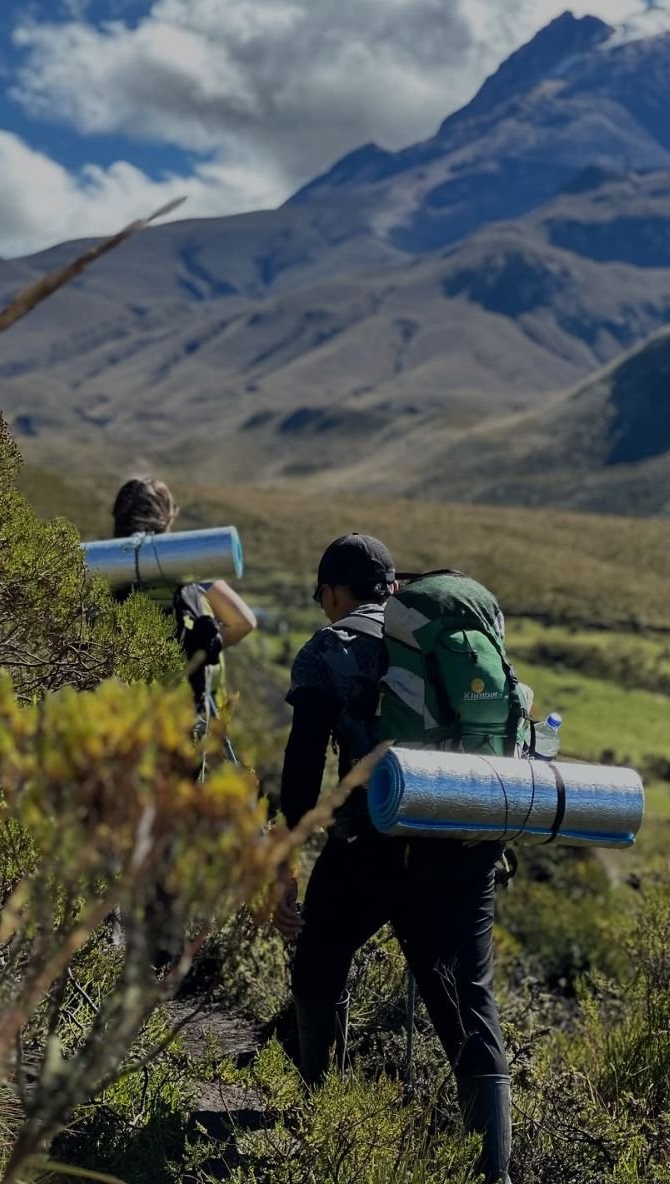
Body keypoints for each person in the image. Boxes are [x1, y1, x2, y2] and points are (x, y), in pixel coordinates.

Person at [273, 533, 513, 1184]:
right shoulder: (443, 636)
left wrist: (282, 870)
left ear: (331, 592)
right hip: (465, 845)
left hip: (369, 847)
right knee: (470, 1008)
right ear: (392, 586)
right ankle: (496, 1175)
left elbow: (300, 779)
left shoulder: (329, 648)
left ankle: (322, 1124)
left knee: (320, 961)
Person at [111, 476, 256, 711]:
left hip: (121, 725)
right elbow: (244, 622)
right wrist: (200, 650)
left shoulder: (102, 569)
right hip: (188, 723)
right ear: (167, 518)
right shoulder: (190, 568)